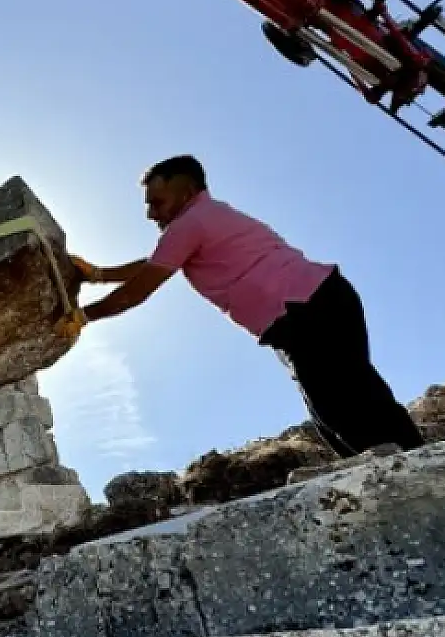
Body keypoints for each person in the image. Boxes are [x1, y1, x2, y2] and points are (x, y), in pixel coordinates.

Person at [75, 155, 423, 457]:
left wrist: (81, 316)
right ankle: (407, 468)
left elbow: (139, 289)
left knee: (346, 408)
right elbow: (156, 262)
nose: (151, 213)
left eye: (157, 201)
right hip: (316, 303)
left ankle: (414, 476)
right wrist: (98, 274)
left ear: (185, 191)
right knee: (346, 405)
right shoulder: (204, 218)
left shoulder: (190, 224)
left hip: (304, 311)